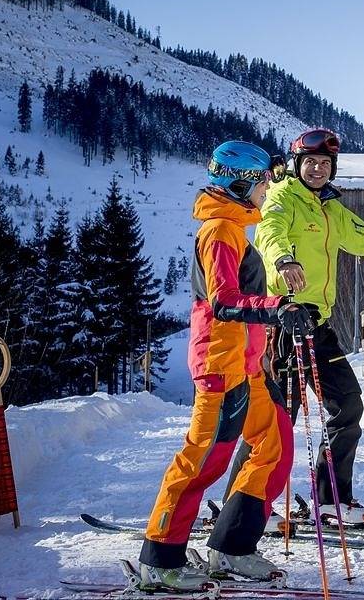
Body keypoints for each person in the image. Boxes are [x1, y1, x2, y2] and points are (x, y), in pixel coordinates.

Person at [137, 141, 312, 590]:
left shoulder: (234, 228)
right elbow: (225, 302)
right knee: (202, 462)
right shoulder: (219, 231)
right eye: (263, 182)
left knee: (274, 445)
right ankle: (160, 556)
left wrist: (275, 324)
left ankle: (233, 547)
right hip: (221, 365)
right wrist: (276, 309)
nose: (267, 190)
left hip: (245, 365)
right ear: (240, 183)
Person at [248, 128, 364, 523]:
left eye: (324, 164)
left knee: (347, 406)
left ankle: (331, 498)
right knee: (278, 421)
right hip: (284, 324)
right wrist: (284, 260)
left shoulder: (331, 209)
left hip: (317, 326)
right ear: (297, 165)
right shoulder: (283, 198)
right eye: (310, 163)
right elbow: (269, 233)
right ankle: (248, 505)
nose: (317, 169)